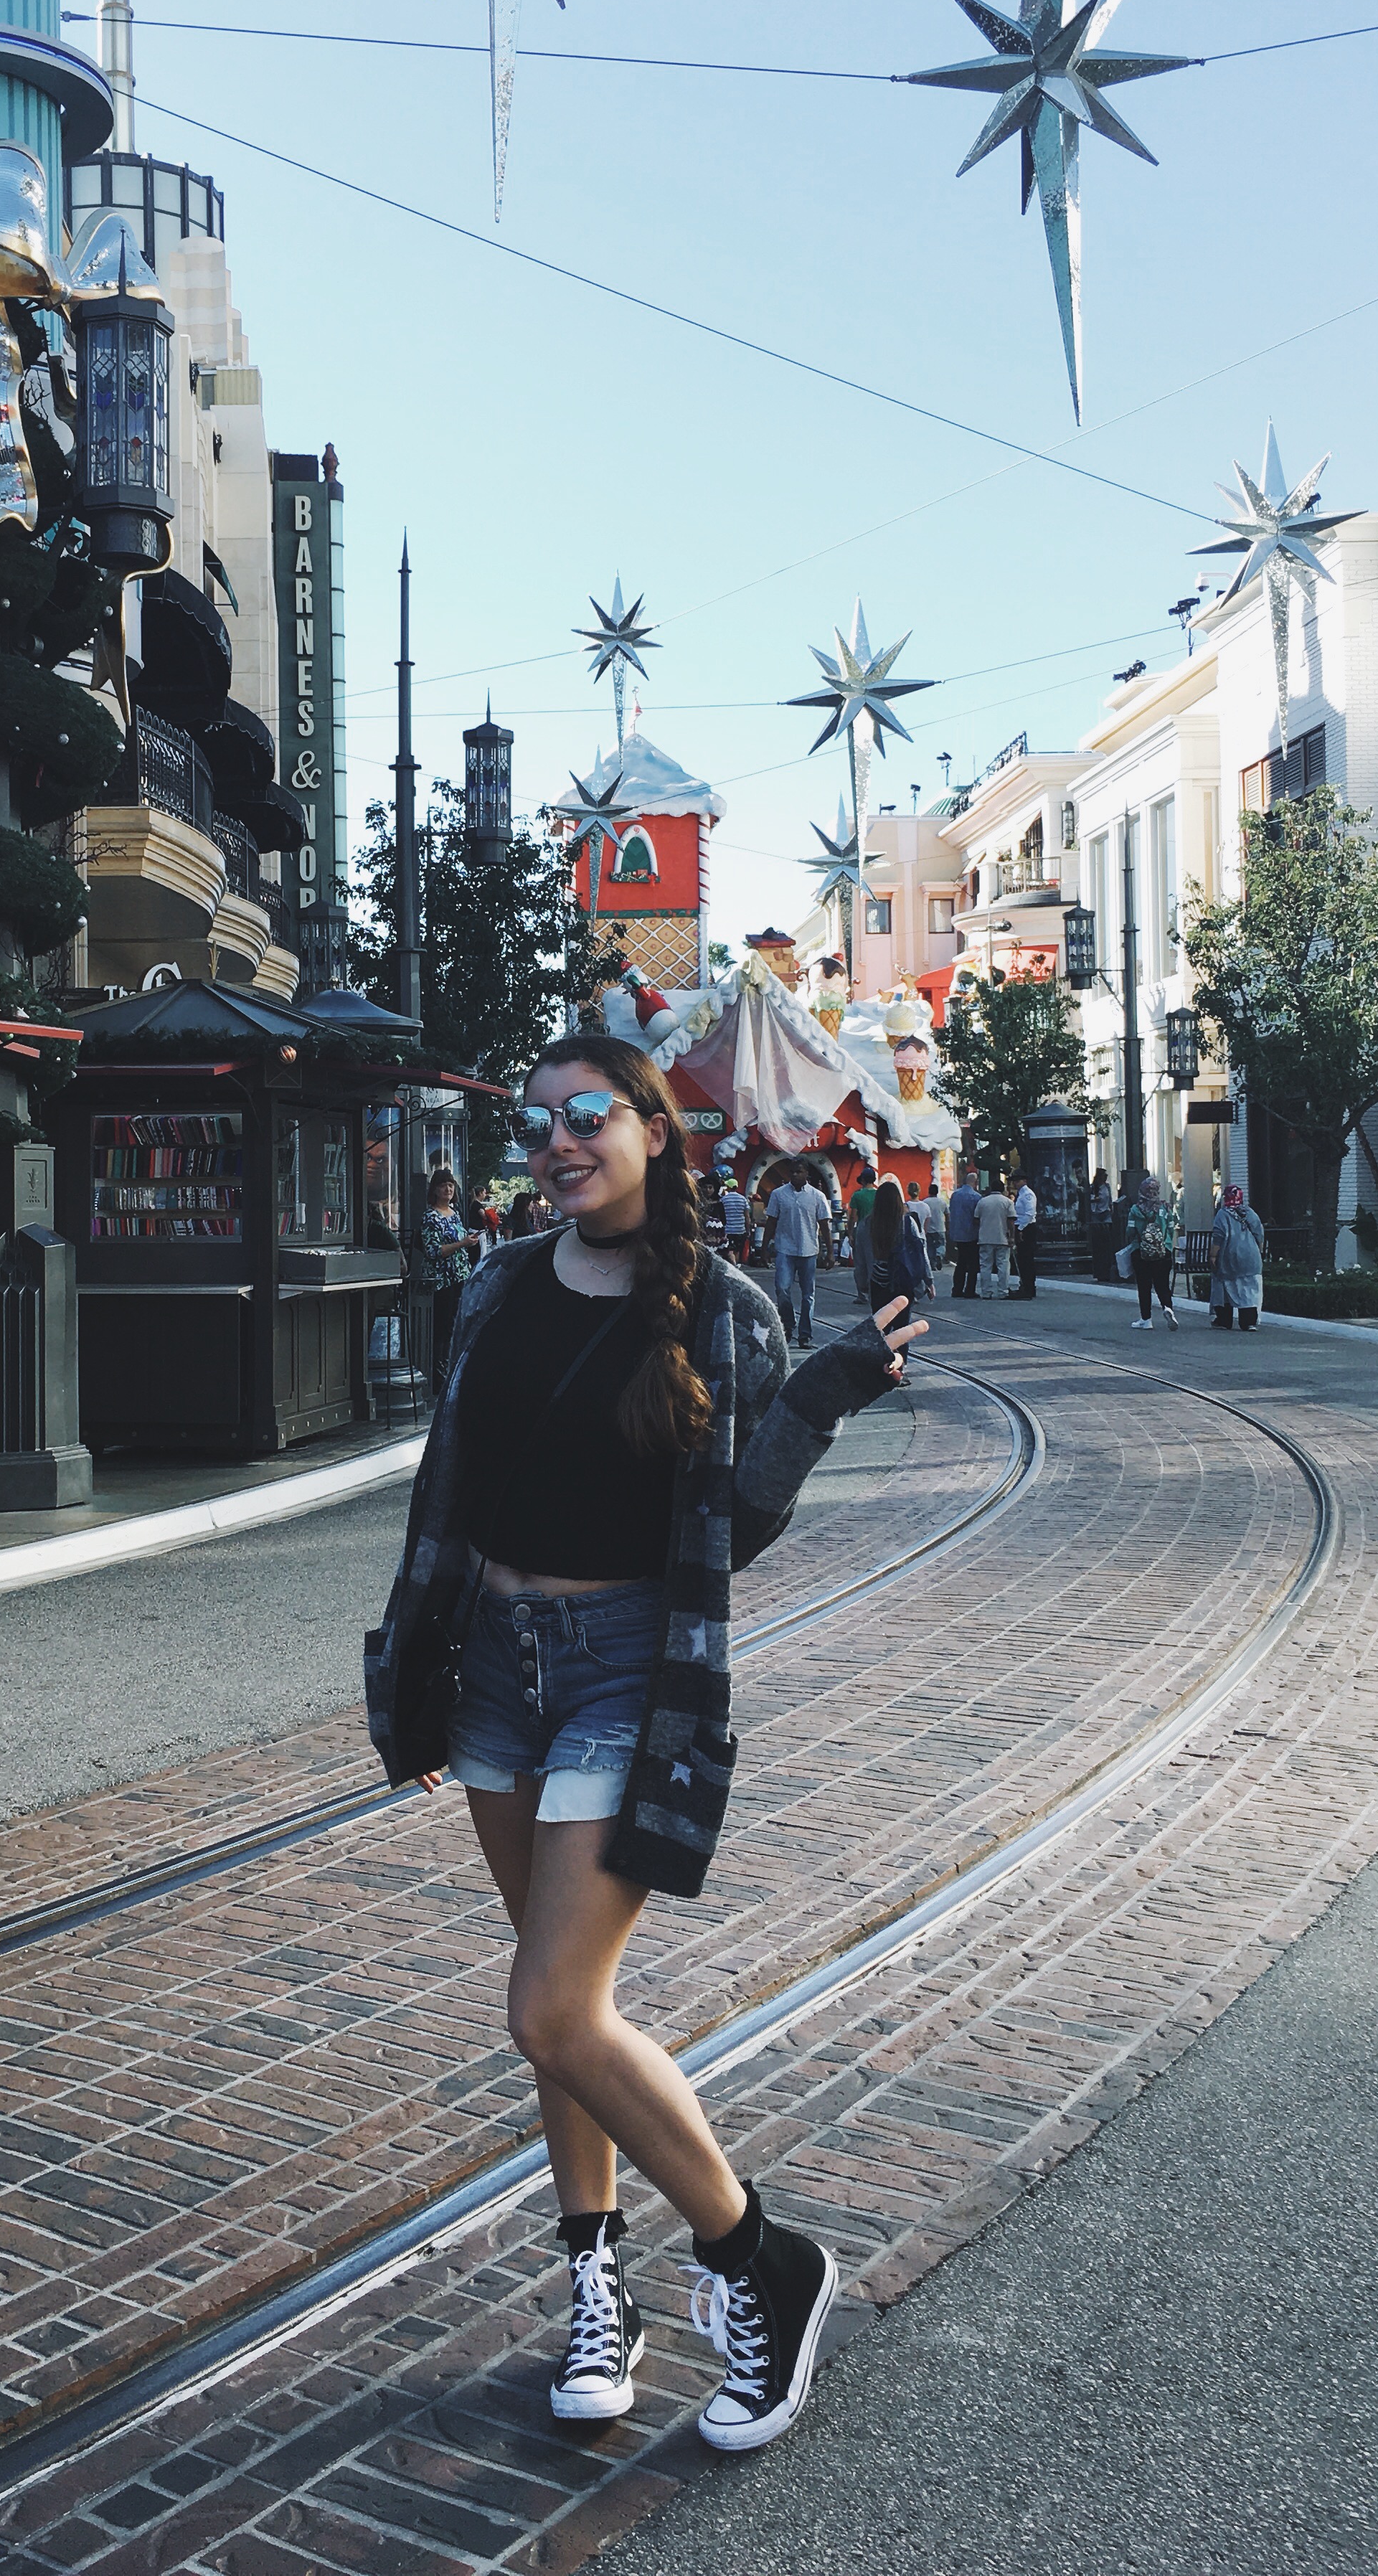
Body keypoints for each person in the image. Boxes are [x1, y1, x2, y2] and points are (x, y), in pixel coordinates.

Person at [366, 1032, 925, 2453]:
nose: (555, 1143)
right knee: (556, 2005)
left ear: (652, 1131)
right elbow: (448, 1495)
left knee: (553, 2008)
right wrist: (413, 1676)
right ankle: (593, 2284)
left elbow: (733, 1527)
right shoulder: (496, 1287)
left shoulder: (724, 1311)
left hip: (625, 1668)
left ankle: (759, 2258)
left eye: (584, 1116)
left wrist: (829, 1390)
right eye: (534, 1123)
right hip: (493, 1670)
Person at [768, 1161, 833, 1348]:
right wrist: (764, 1248)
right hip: (785, 1249)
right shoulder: (778, 1194)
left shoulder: (817, 1196)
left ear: (807, 1174)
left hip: (808, 1250)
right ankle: (788, 1324)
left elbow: (825, 1225)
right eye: (792, 1172)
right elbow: (771, 1221)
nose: (795, 1175)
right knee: (782, 1289)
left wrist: (830, 1252)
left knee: (808, 1295)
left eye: (799, 1172)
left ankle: (805, 1334)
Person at [423, 1169, 479, 1362]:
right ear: (435, 1190)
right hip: (442, 1279)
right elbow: (433, 1251)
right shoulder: (431, 1217)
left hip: (460, 1276)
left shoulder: (455, 1213)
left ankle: (450, 1364)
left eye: (451, 1185)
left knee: (456, 1324)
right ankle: (438, 1368)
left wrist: (469, 1241)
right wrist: (462, 1243)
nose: (448, 1189)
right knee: (442, 1326)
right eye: (443, 1185)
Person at [856, 1177, 932, 1312]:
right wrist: (929, 1281)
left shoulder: (866, 1225)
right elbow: (920, 1251)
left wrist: (862, 1283)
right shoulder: (907, 1222)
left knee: (881, 1321)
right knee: (902, 1323)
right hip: (902, 1280)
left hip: (877, 1280)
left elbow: (860, 1259)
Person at [1124, 1171, 1181, 1330]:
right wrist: (1166, 1244)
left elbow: (1130, 1232)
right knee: (1163, 1284)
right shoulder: (1165, 1208)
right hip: (1163, 1252)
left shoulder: (1136, 1210)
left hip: (1141, 1252)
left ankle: (1146, 1319)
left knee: (1144, 1286)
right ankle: (1168, 1308)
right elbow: (1171, 1229)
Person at [1208, 1184, 1267, 1331]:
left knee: (1225, 1288)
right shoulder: (1250, 1213)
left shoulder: (1222, 1215)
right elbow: (1259, 1234)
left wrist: (1213, 1256)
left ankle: (1224, 1320)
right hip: (1251, 1258)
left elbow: (1218, 1237)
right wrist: (1258, 1252)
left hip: (1230, 1257)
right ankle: (1249, 1322)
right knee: (1249, 1291)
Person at [973, 1174, 1016, 1298]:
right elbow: (1011, 1221)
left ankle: (986, 1292)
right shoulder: (1007, 1202)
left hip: (985, 1237)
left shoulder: (983, 1201)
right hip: (1002, 1237)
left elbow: (976, 1219)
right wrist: (1012, 1237)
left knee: (985, 1266)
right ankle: (1003, 1291)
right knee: (1003, 1265)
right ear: (1003, 1189)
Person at [946, 1166, 981, 1298]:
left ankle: (957, 1289)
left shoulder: (955, 1195)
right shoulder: (976, 1197)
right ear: (975, 1183)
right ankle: (970, 1290)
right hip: (971, 1233)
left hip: (957, 1233)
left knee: (961, 1261)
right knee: (972, 1264)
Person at [1087, 1168, 1118, 1285]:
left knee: (1107, 1235)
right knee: (1098, 1237)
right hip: (1096, 1213)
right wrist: (1096, 1199)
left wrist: (1111, 1209)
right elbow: (1089, 1199)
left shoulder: (1107, 1187)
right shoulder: (1093, 1187)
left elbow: (1110, 1199)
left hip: (1106, 1213)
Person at [1011, 1170, 1039, 1298]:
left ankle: (1029, 1288)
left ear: (1025, 1181)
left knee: (1027, 1259)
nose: (1015, 1183)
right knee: (1022, 1259)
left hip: (1027, 1228)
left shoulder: (1028, 1194)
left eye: (1018, 1181)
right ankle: (1024, 1285)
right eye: (1015, 1181)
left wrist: (1020, 1229)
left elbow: (1029, 1214)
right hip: (1022, 1226)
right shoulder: (1021, 1194)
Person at [917, 1179, 947, 1275]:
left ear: (929, 1191)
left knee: (930, 1247)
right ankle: (939, 1255)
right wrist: (948, 1225)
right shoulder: (942, 1202)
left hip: (928, 1228)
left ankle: (932, 1264)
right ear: (937, 1192)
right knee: (941, 1245)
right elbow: (948, 1214)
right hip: (940, 1228)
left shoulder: (925, 1202)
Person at [719, 1179, 750, 1268]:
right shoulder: (743, 1199)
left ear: (729, 1187)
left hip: (727, 1230)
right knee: (737, 1251)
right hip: (740, 1230)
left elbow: (720, 1215)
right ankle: (736, 1267)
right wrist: (748, 1231)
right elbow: (747, 1217)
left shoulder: (723, 1199)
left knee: (728, 1251)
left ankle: (731, 1267)